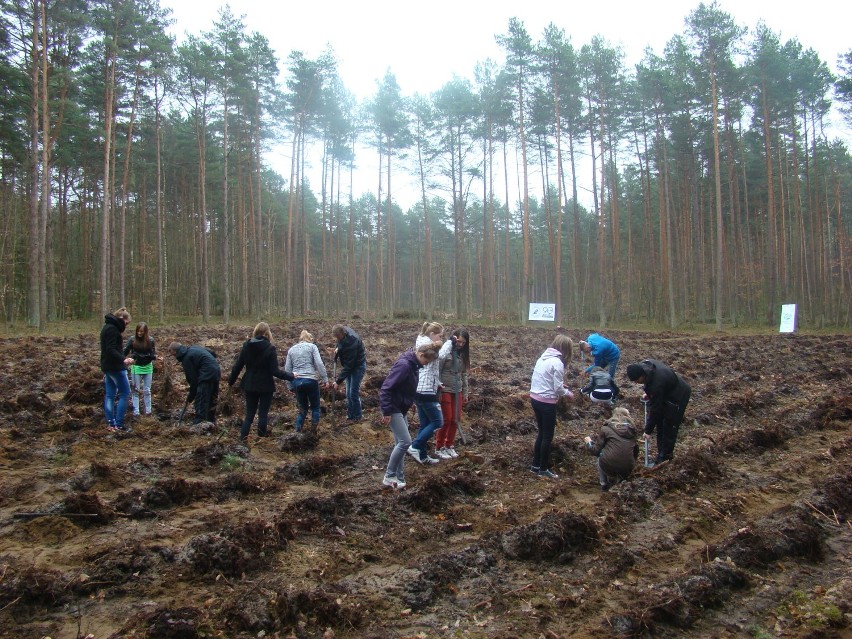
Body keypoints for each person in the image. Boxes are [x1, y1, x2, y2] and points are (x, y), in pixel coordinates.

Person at [380, 342, 441, 489]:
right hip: (393, 407)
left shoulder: (414, 365)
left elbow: (406, 388)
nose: (426, 364)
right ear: (420, 355)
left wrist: (410, 401)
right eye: (426, 361)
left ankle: (399, 478)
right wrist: (386, 411)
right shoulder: (405, 365)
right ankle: (389, 476)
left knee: (400, 443)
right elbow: (386, 388)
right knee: (405, 442)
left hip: (401, 407)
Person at [227, 323, 293, 440]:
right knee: (263, 414)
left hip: (249, 384)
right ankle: (261, 440)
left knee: (249, 415)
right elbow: (275, 371)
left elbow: (237, 366)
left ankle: (242, 439)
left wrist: (230, 382)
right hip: (265, 386)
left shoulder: (246, 346)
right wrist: (291, 376)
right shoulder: (270, 348)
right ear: (267, 333)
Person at [626, 359, 692, 465]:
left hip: (679, 395)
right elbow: (653, 390)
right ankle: (661, 453)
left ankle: (666, 457)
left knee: (670, 425)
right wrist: (650, 394)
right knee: (660, 424)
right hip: (668, 390)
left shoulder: (657, 384)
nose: (636, 383)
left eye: (636, 380)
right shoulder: (647, 365)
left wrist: (648, 431)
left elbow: (655, 410)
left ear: (642, 375)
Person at [529, 334, 575, 479]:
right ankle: (543, 469)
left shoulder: (542, 358)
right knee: (547, 436)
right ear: (566, 349)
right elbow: (557, 389)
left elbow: (544, 378)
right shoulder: (557, 362)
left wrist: (560, 385)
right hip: (547, 402)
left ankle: (535, 466)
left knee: (541, 433)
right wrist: (568, 393)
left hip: (535, 398)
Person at [407, 322, 452, 464]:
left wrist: (437, 382)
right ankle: (414, 446)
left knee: (424, 424)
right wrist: (450, 342)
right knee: (438, 421)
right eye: (440, 335)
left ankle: (423, 456)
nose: (441, 338)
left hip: (420, 389)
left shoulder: (423, 343)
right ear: (432, 334)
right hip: (426, 391)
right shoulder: (428, 347)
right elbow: (442, 356)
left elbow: (430, 369)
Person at [583, 407, 639, 491]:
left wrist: (589, 443)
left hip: (608, 466)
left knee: (601, 455)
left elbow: (596, 451)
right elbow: (635, 451)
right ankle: (621, 480)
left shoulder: (606, 429)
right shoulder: (632, 431)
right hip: (628, 467)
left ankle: (604, 484)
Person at [284, 329, 329, 432]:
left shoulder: (291, 350)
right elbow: (319, 363)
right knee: (315, 407)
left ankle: (297, 430)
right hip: (311, 380)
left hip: (297, 381)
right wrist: (325, 379)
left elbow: (287, 370)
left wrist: (290, 386)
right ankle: (313, 430)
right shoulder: (312, 347)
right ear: (310, 339)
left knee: (302, 409)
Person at [435, 328, 470, 458]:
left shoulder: (464, 355)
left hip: (458, 390)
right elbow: (437, 369)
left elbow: (464, 375)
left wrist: (465, 393)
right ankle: (439, 447)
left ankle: (449, 445)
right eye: (459, 341)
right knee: (447, 419)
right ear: (454, 339)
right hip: (445, 389)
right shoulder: (445, 351)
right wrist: (437, 388)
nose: (460, 345)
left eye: (463, 343)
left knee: (456, 419)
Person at [169, 341, 221, 425]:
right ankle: (211, 420)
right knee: (212, 398)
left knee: (201, 399)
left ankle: (199, 422)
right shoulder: (193, 348)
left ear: (175, 351)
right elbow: (212, 353)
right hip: (216, 371)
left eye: (172, 354)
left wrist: (191, 396)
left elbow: (193, 380)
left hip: (206, 375)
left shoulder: (186, 358)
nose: (174, 357)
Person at [100, 307, 134, 432]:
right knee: (125, 393)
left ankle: (111, 423)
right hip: (115, 367)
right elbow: (110, 349)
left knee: (110, 395)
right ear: (122, 319)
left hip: (107, 366)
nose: (126, 326)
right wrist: (123, 359)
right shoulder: (113, 330)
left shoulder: (107, 327)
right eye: (126, 323)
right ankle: (118, 424)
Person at [331, 324, 367, 422]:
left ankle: (358, 416)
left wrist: (338, 382)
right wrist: (338, 349)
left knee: (353, 393)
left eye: (338, 337)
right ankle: (350, 415)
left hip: (358, 366)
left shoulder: (352, 342)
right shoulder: (343, 333)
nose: (337, 339)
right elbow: (340, 342)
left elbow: (349, 366)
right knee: (348, 393)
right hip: (351, 365)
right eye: (336, 337)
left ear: (343, 333)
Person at [124, 322, 158, 417]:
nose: (139, 333)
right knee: (136, 390)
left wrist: (156, 357)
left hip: (148, 367)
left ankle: (148, 411)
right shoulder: (132, 340)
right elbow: (125, 351)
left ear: (145, 332)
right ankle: (136, 412)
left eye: (141, 331)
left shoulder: (150, 340)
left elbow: (152, 354)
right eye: (138, 331)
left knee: (147, 390)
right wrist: (123, 359)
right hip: (136, 367)